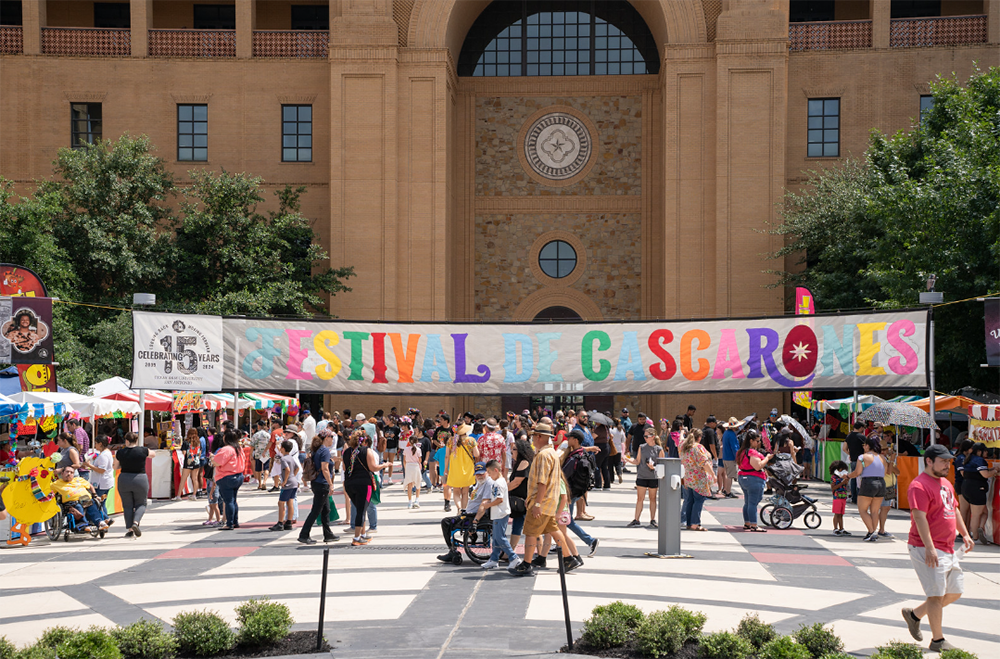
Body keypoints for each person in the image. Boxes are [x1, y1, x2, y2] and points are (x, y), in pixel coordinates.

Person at [900, 444, 975, 653]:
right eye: (943, 461)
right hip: (926, 547)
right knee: (935, 595)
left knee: (954, 592)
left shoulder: (945, 483)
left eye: (948, 461)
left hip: (948, 548)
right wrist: (930, 548)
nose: (947, 465)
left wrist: (965, 534)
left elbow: (954, 509)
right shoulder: (919, 485)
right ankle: (938, 640)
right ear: (929, 461)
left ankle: (914, 615)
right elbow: (919, 517)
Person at [512, 422, 569, 576]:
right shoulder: (551, 453)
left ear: (538, 437)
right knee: (553, 529)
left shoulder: (544, 455)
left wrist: (536, 503)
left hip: (542, 502)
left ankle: (527, 564)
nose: (532, 439)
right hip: (549, 501)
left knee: (531, 532)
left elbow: (542, 482)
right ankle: (569, 558)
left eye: (533, 436)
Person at [437, 463, 492, 564]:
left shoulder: (488, 483)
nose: (479, 476)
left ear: (487, 472)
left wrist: (475, 521)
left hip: (474, 516)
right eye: (477, 474)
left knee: (446, 522)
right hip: (469, 513)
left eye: (481, 473)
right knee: (447, 521)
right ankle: (452, 550)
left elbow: (484, 503)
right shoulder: (480, 483)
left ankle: (452, 551)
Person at [477, 459, 525, 571]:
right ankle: (494, 559)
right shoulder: (501, 481)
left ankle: (514, 557)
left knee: (499, 537)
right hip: (499, 513)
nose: (488, 475)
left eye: (489, 472)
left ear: (495, 470)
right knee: (496, 538)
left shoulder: (498, 483)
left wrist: (488, 505)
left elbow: (499, 499)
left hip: (500, 513)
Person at [561, 429, 600, 556]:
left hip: (569, 493)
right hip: (577, 492)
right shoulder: (581, 453)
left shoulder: (574, 457)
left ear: (575, 440)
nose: (567, 439)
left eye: (570, 438)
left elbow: (563, 475)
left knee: (567, 521)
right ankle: (560, 543)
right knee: (566, 520)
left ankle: (590, 541)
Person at [299, 432, 339, 545]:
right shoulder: (324, 450)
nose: (332, 440)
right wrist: (331, 484)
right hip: (322, 483)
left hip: (316, 482)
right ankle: (304, 534)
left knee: (326, 509)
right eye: (332, 437)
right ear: (326, 438)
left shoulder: (317, 450)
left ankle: (328, 534)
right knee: (316, 510)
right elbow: (325, 468)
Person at [623, 425, 664, 528]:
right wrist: (627, 459)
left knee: (652, 498)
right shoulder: (642, 447)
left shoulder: (659, 449)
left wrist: (653, 467)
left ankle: (653, 519)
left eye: (647, 436)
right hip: (642, 475)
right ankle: (636, 519)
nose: (645, 438)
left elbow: (662, 466)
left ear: (653, 436)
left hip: (653, 477)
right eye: (644, 436)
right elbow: (637, 461)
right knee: (640, 498)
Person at [848, 437, 887, 542]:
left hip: (868, 483)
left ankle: (871, 531)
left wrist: (847, 476)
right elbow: (885, 472)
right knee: (874, 511)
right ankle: (873, 532)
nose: (863, 447)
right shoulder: (882, 458)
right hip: (881, 483)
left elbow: (857, 472)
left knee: (862, 509)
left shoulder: (862, 457)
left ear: (868, 446)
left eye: (864, 445)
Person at [114, 432, 151, 537]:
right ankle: (136, 522)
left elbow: (115, 467)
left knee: (127, 505)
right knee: (141, 503)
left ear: (126, 441)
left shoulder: (120, 452)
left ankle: (130, 529)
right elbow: (153, 454)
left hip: (124, 478)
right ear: (137, 440)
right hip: (140, 479)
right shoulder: (143, 450)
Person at [962, 442, 1000, 545]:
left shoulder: (968, 459)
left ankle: (980, 529)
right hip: (977, 489)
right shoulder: (979, 460)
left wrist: (991, 470)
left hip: (966, 487)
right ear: (979, 451)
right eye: (985, 450)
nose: (987, 452)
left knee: (984, 512)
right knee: (977, 515)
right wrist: (995, 470)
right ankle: (976, 536)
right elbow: (985, 474)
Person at [50, 467, 109, 532]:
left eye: (71, 472)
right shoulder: (56, 484)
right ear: (62, 473)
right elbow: (48, 492)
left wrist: (95, 496)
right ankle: (83, 525)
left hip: (84, 499)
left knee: (91, 505)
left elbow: (90, 486)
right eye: (67, 472)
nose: (69, 474)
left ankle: (100, 522)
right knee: (78, 506)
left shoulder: (79, 479)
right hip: (71, 502)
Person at [680, 429, 715, 531]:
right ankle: (695, 523)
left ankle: (689, 522)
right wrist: (713, 474)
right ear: (699, 438)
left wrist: (682, 433)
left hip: (687, 477)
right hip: (698, 478)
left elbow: (680, 439)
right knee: (698, 501)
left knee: (689, 500)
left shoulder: (683, 446)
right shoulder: (698, 447)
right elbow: (704, 462)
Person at [737, 430, 772, 532]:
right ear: (751, 441)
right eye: (757, 441)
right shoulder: (751, 452)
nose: (759, 443)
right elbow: (758, 466)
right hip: (753, 478)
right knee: (752, 503)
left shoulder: (741, 451)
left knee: (748, 502)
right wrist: (767, 458)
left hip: (743, 477)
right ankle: (754, 525)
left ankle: (747, 523)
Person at [212, 431, 246, 531]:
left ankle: (229, 523)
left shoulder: (226, 449)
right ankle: (235, 521)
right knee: (233, 500)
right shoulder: (238, 448)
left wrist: (212, 458)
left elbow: (217, 462)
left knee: (229, 501)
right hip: (238, 475)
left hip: (227, 477)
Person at [445, 424, 479, 512]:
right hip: (468, 468)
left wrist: (446, 469)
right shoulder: (471, 440)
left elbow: (447, 456)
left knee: (456, 491)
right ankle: (463, 510)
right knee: (465, 491)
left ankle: (459, 508)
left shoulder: (451, 440)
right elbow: (476, 454)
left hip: (455, 468)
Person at [270, 440, 300, 531]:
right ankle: (289, 522)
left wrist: (285, 481)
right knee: (290, 502)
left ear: (283, 448)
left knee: (281, 502)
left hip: (288, 483)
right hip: (294, 482)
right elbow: (297, 467)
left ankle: (280, 522)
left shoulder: (283, 459)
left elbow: (286, 469)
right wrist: (293, 476)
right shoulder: (291, 457)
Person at [878, 443, 901, 538]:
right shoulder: (880, 459)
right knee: (881, 508)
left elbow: (897, 472)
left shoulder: (887, 459)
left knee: (885, 508)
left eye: (885, 449)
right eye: (881, 450)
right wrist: (891, 460)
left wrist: (891, 461)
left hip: (889, 486)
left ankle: (881, 529)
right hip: (883, 486)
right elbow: (889, 471)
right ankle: (880, 529)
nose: (883, 452)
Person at [844, 421, 867, 504]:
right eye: (863, 428)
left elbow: (844, 448)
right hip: (862, 460)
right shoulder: (863, 437)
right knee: (861, 479)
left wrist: (850, 454)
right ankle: (860, 497)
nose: (864, 429)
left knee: (853, 478)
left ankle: (854, 497)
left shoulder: (849, 436)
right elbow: (866, 449)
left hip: (853, 460)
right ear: (860, 427)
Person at [829, 460, 852, 536]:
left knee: (841, 514)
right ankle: (835, 528)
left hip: (843, 497)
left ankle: (841, 528)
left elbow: (845, 486)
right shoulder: (834, 478)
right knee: (837, 513)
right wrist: (842, 482)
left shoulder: (843, 477)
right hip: (837, 497)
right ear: (839, 469)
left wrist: (846, 480)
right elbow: (833, 488)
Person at [721, 417, 740, 498]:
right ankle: (728, 492)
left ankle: (726, 490)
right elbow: (734, 447)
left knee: (728, 474)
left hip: (725, 456)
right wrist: (738, 457)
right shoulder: (732, 434)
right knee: (730, 476)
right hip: (730, 457)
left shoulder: (726, 433)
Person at [403, 431, 422, 509]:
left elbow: (404, 460)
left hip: (408, 466)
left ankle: (410, 502)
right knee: (418, 483)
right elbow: (420, 459)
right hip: (416, 466)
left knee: (409, 485)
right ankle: (417, 500)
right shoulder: (418, 449)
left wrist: (405, 467)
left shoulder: (406, 449)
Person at [250, 421, 271, 490]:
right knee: (266, 468)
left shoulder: (256, 435)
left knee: (258, 469)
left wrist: (250, 455)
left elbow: (252, 446)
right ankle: (264, 482)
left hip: (258, 453)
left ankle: (259, 484)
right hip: (266, 453)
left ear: (258, 426)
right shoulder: (268, 435)